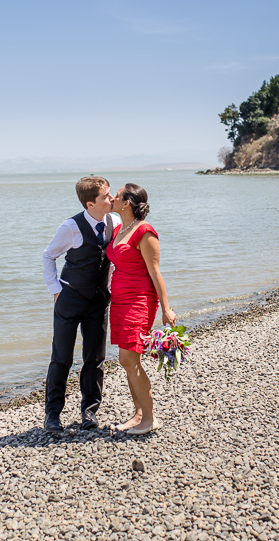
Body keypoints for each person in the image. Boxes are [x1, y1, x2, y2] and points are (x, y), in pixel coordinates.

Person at [42, 176, 120, 434]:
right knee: (61, 358)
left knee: (94, 358)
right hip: (70, 299)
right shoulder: (70, 227)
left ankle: (89, 411)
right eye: (106, 196)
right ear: (90, 204)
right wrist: (55, 290)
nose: (111, 199)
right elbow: (48, 256)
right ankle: (52, 415)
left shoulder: (114, 221)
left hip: (99, 301)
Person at [106, 183, 175, 435]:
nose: (112, 197)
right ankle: (138, 415)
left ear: (126, 203)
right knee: (127, 361)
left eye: (117, 194)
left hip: (139, 301)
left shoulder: (145, 232)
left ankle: (150, 419)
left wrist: (166, 309)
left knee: (129, 359)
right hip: (119, 301)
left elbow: (156, 273)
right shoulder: (120, 229)